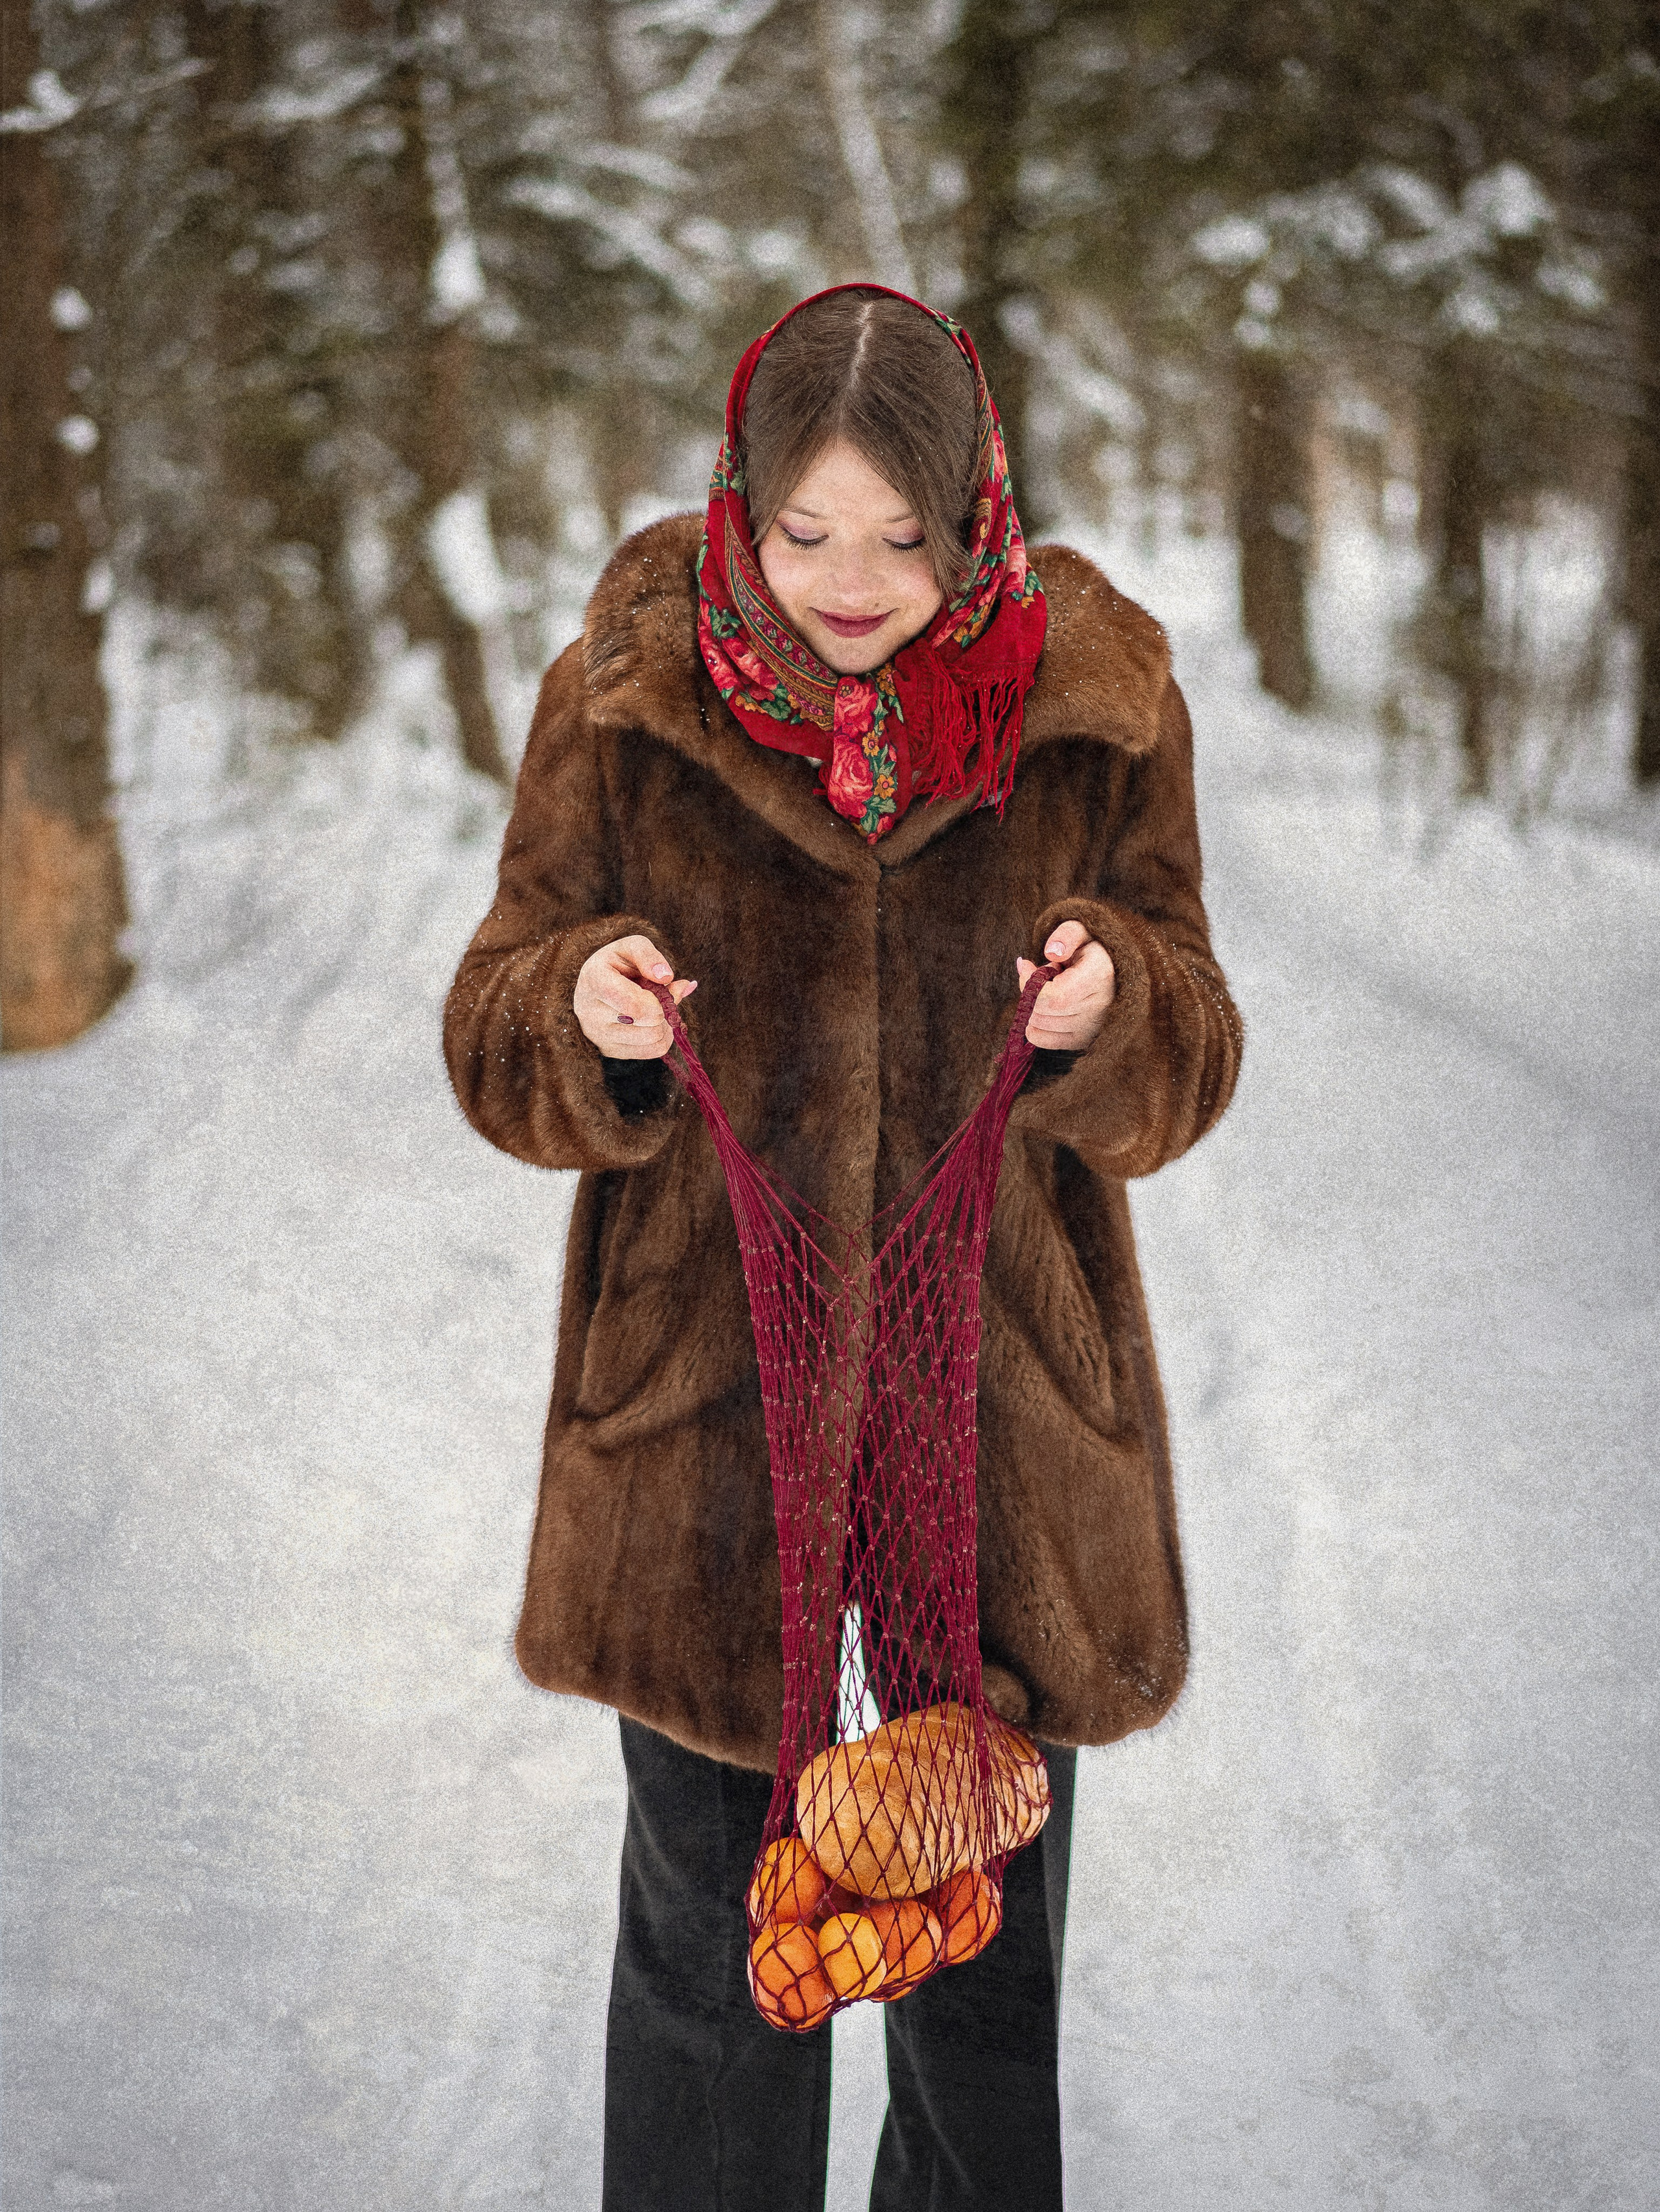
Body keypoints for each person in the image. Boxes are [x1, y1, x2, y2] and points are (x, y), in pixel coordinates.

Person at [444, 285, 1242, 2210]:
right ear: (740, 502)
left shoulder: (1096, 713)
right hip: (709, 1448)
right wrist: (586, 1014)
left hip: (1005, 1444)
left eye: (904, 537)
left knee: (981, 1987)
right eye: (805, 534)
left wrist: (1113, 1004)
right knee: (722, 1980)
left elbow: (1192, 1046)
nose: (851, 583)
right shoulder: (628, 698)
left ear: (976, 521)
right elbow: (490, 1027)